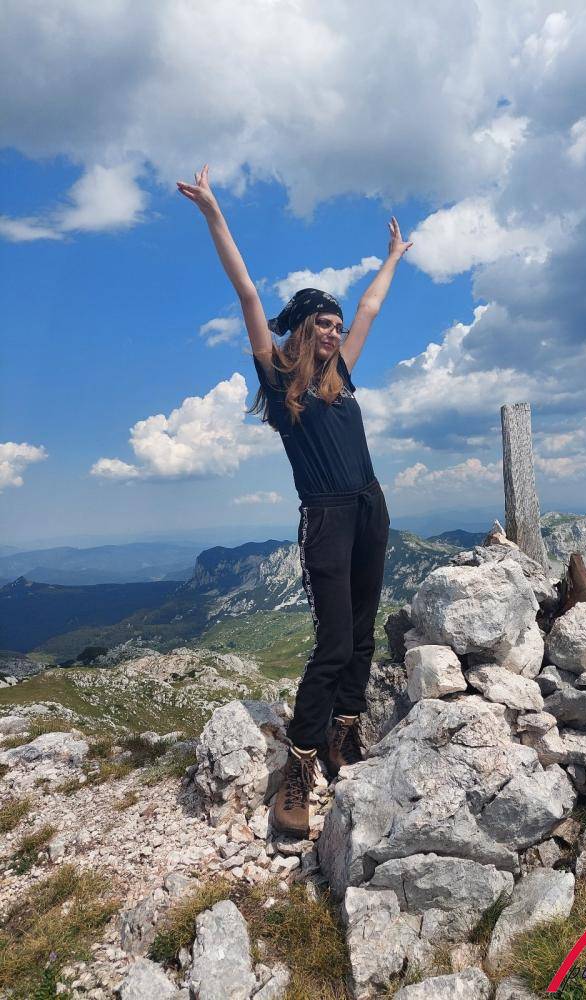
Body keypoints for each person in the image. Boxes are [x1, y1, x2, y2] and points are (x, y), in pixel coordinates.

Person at [177, 164, 412, 836]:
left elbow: (370, 309)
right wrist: (214, 213)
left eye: (337, 324)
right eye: (324, 324)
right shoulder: (282, 384)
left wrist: (393, 258)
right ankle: (298, 770)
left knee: (361, 635)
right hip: (327, 519)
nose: (335, 331)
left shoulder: (342, 377)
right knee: (332, 643)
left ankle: (343, 736)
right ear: (303, 328)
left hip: (370, 507)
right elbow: (248, 292)